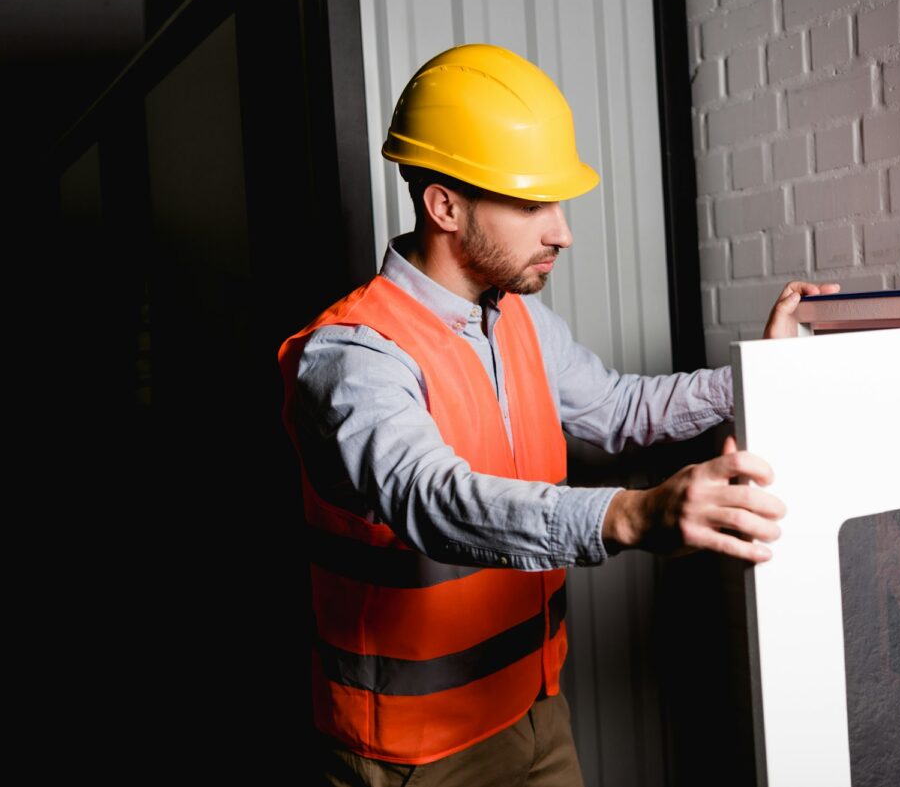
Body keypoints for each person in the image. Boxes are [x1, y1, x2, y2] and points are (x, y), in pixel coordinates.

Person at [278, 43, 838, 787]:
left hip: (534, 711)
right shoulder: (352, 355)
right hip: (412, 757)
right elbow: (430, 498)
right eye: (530, 203)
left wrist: (759, 375)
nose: (562, 231)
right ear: (444, 204)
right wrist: (631, 515)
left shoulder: (514, 319)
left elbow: (614, 408)